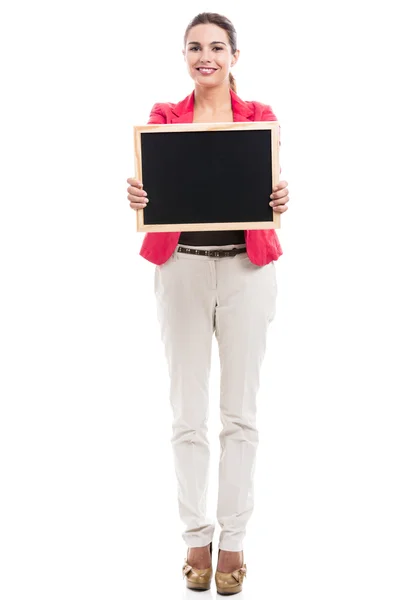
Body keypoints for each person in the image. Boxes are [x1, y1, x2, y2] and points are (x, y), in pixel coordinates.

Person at [126, 12, 290, 594]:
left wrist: (280, 192)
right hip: (182, 269)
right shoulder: (164, 118)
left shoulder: (259, 118)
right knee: (186, 415)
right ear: (185, 56)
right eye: (195, 47)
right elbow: (153, 186)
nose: (206, 56)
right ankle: (196, 535)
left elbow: (268, 185)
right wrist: (139, 192)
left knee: (240, 415)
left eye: (217, 47)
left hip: (248, 272)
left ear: (234, 57)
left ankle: (236, 541)